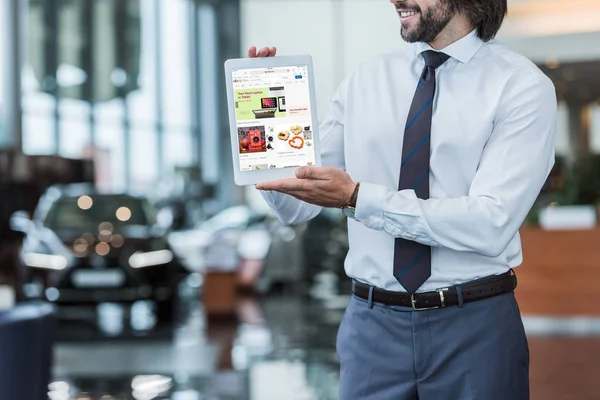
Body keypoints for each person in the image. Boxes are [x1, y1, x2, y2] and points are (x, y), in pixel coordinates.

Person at [249, 0, 556, 398]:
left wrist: (360, 199)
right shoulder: (364, 80)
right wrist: (269, 133)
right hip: (371, 329)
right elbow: (296, 207)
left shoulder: (521, 86)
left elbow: (490, 222)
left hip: (475, 328)